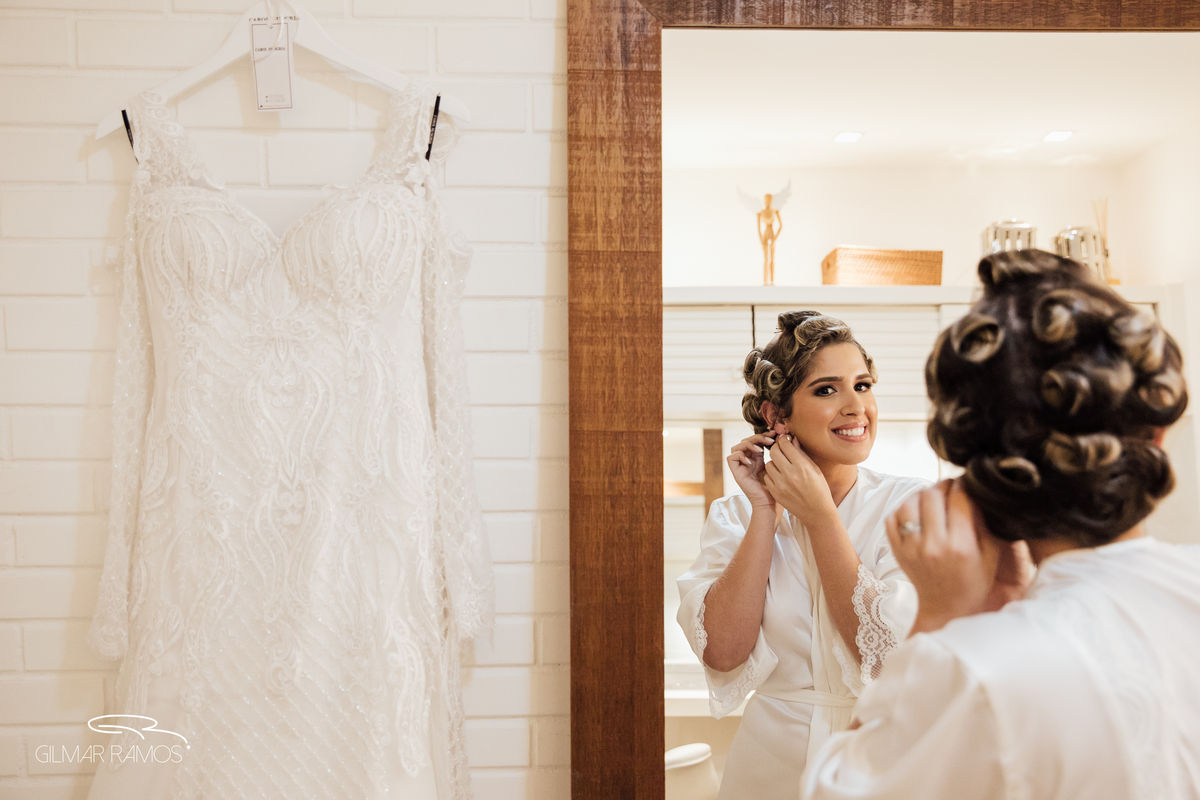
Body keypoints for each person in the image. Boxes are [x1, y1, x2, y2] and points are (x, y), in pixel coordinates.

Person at [802, 250, 1200, 800]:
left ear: (981, 468)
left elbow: (839, 790)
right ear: (1156, 434)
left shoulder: (975, 670)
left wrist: (940, 619)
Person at [676, 311, 931, 800]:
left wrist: (819, 517)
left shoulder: (911, 506)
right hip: (769, 768)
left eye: (863, 385)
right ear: (776, 415)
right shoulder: (734, 515)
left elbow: (889, 655)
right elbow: (723, 653)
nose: (856, 407)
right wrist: (764, 512)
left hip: (881, 766)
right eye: (827, 390)